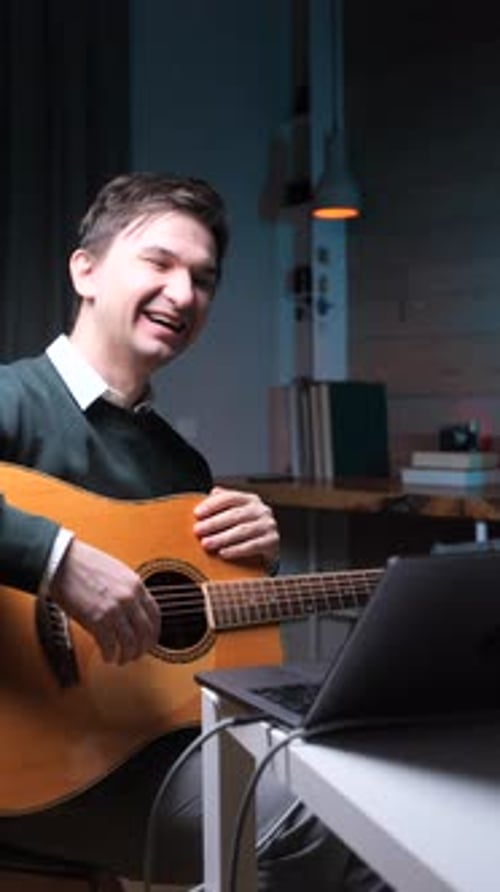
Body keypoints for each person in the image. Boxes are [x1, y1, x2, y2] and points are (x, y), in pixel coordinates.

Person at [0, 172, 390, 891]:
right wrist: (54, 559)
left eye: (203, 279)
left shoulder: (183, 468)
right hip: (31, 764)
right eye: (159, 263)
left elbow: (195, 645)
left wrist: (256, 566)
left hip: (138, 747)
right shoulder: (13, 400)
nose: (184, 294)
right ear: (84, 269)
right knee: (314, 819)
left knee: (372, 799)